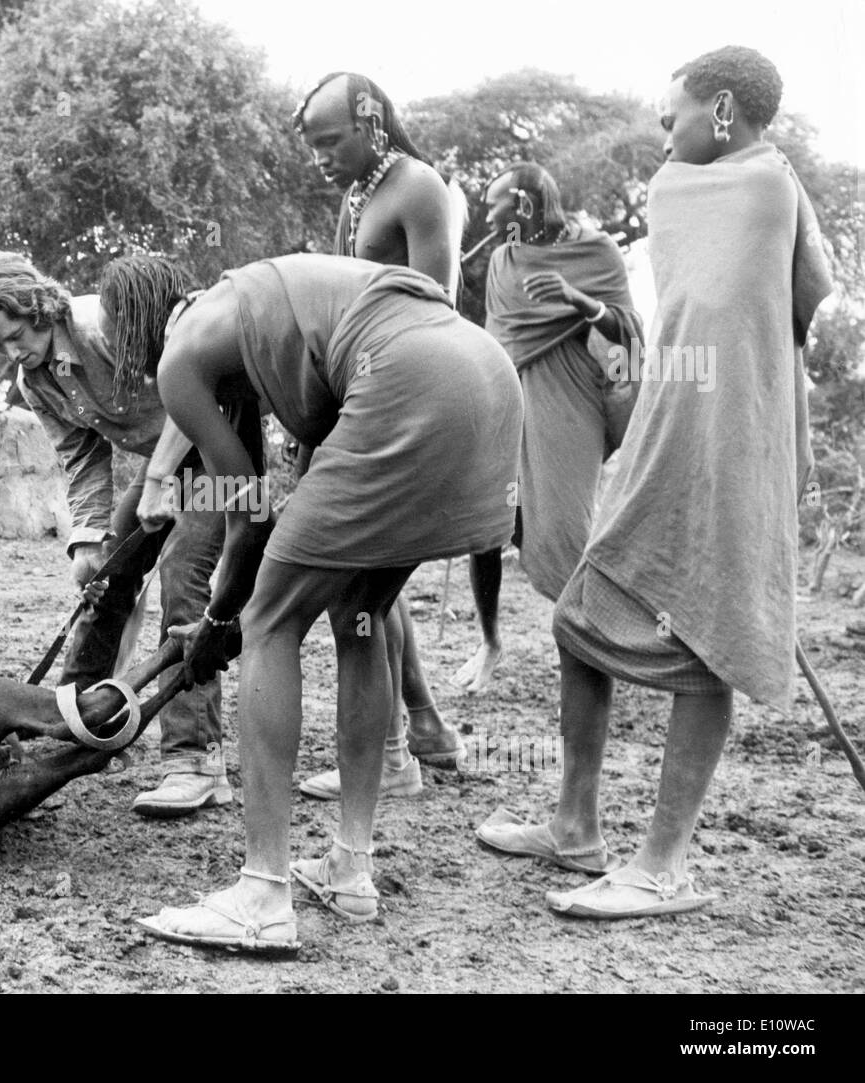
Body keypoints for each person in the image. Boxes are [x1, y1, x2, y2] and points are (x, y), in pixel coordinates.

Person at [477, 46, 832, 918]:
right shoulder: (749, 183)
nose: (660, 127)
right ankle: (575, 824)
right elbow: (812, 286)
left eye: (671, 110)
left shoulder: (739, 183)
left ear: (720, 110)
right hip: (688, 426)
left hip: (733, 436)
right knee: (580, 613)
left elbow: (777, 290)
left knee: (708, 635)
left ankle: (663, 865)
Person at [137, 253, 522, 951]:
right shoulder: (279, 311)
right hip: (484, 373)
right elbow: (274, 502)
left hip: (409, 378)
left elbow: (247, 514)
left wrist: (225, 620)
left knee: (271, 619)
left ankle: (260, 895)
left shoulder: (180, 355)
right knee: (361, 615)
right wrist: (224, 610)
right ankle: (350, 865)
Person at [0, 253, 246, 818]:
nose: (12, 355)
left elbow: (195, 386)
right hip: (165, 468)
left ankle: (196, 760)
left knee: (184, 576)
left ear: (38, 308)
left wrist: (159, 479)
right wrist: (87, 540)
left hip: (220, 453)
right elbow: (83, 459)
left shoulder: (105, 326)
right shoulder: (36, 383)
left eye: (14, 337)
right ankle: (74, 727)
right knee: (107, 580)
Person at [286, 72, 469, 803]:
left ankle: (392, 755)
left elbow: (434, 312)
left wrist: (362, 417)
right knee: (375, 585)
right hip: (361, 396)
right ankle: (422, 730)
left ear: (372, 124)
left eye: (331, 142)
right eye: (314, 147)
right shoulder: (358, 194)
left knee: (355, 587)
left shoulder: (421, 188)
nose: (322, 158)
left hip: (405, 399)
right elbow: (341, 306)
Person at [482, 162, 643, 603]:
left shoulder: (598, 251)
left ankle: (593, 629)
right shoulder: (501, 260)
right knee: (500, 520)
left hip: (569, 403)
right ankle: (521, 635)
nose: (486, 218)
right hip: (508, 403)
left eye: (491, 206)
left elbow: (629, 333)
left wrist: (581, 302)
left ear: (523, 205)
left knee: (565, 528)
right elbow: (499, 341)